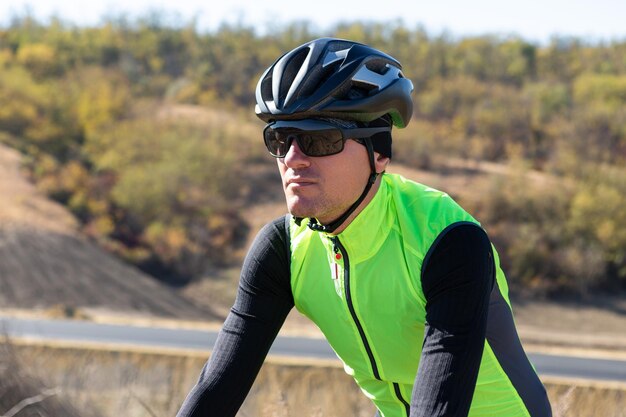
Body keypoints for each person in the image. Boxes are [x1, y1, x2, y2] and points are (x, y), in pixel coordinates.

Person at [176, 38, 552, 417]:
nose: (292, 158)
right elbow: (215, 390)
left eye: (318, 141)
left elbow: (439, 406)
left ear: (379, 154)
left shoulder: (447, 240)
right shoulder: (284, 250)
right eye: (280, 138)